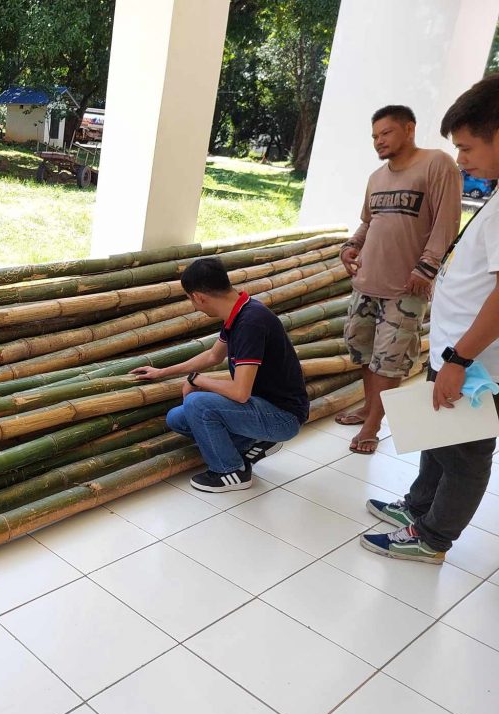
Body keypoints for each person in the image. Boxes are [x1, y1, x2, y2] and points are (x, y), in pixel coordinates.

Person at [363, 76, 499, 564]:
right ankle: (419, 507)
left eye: (466, 147)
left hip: (476, 359)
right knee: (441, 437)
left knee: (465, 452)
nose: (462, 159)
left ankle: (434, 537)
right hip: (455, 349)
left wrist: (462, 358)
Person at [336, 105, 462, 454]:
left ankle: (374, 424)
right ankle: (367, 406)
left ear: (409, 129)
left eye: (386, 133)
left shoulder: (437, 164)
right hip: (366, 282)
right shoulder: (376, 177)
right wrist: (352, 245)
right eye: (375, 136)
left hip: (406, 289)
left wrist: (427, 266)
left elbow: (447, 221)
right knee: (363, 353)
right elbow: (369, 220)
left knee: (389, 360)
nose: (379, 141)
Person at [132, 258, 309, 492]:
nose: (193, 305)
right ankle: (252, 441)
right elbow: (212, 357)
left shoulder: (250, 323)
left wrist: (198, 381)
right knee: (178, 417)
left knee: (198, 403)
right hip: (261, 406)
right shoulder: (239, 311)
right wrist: (162, 371)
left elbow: (240, 392)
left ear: (198, 297)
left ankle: (231, 471)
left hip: (282, 416)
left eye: (189, 299)